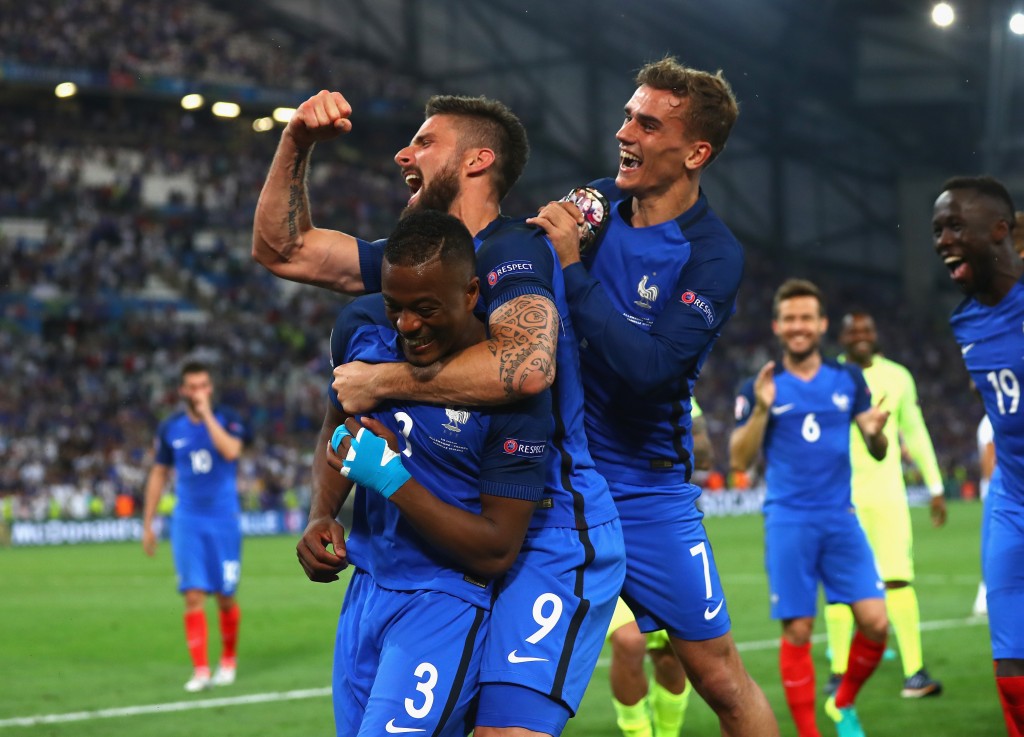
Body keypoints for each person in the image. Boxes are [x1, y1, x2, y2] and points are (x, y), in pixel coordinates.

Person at [254, 91, 625, 737]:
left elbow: (526, 367)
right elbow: (284, 250)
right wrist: (295, 142)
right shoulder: (417, 265)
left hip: (549, 521)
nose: (404, 152)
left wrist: (382, 381)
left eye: (424, 141)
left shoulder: (516, 250)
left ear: (478, 160)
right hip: (437, 541)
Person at [524, 57, 778, 736]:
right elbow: (520, 256)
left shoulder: (712, 255)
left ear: (697, 151)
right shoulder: (598, 203)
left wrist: (573, 270)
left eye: (646, 122)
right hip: (548, 475)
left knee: (722, 676)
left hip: (643, 489)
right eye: (627, 114)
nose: (623, 131)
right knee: (495, 670)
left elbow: (651, 368)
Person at [297, 210, 550, 736]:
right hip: (365, 592)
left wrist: (393, 479)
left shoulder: (513, 397)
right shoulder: (363, 330)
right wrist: (322, 514)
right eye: (396, 306)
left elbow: (497, 547)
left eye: (426, 308)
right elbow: (338, 424)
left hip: (444, 601)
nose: (407, 325)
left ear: (471, 294)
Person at [729, 278, 890, 737]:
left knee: (876, 622)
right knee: (798, 630)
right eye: (790, 319)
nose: (799, 327)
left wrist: (876, 432)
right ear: (778, 326)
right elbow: (738, 459)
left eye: (807, 319)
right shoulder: (761, 383)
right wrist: (761, 410)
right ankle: (808, 732)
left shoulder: (848, 379)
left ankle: (843, 701)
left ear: (821, 325)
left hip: (840, 518)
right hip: (789, 520)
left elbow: (876, 448)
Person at [931, 175, 1024, 736]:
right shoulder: (965, 323)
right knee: (1011, 670)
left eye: (955, 226)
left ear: (999, 232)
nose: (943, 239)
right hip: (1012, 503)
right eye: (938, 230)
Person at [820, 310, 946, 699]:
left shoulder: (898, 377)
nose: (860, 336)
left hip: (889, 495)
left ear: (876, 335)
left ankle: (915, 674)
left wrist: (936, 485)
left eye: (866, 329)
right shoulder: (827, 378)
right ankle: (839, 672)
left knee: (897, 579)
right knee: (841, 587)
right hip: (842, 496)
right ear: (840, 337)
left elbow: (916, 431)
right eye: (852, 330)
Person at [142, 361, 249, 692]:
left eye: (204, 384)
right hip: (187, 520)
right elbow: (159, 472)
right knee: (192, 595)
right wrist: (148, 522)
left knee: (225, 597)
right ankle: (201, 670)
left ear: (210, 388)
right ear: (183, 391)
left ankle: (228, 659)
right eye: (192, 386)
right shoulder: (170, 428)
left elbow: (231, 451)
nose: (198, 391)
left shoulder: (228, 419)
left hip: (223, 519)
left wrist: (207, 417)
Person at [605, 398, 709, 737]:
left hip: (663, 532)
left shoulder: (669, 382)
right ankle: (639, 733)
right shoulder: (590, 382)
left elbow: (703, 447)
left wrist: (692, 439)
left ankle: (668, 733)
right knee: (629, 641)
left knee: (670, 651)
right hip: (604, 532)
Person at [974, 410, 995, 617]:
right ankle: (985, 594)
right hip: (998, 492)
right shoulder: (991, 421)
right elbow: (989, 461)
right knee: (992, 545)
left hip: (994, 492)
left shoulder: (987, 421)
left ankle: (985, 593)